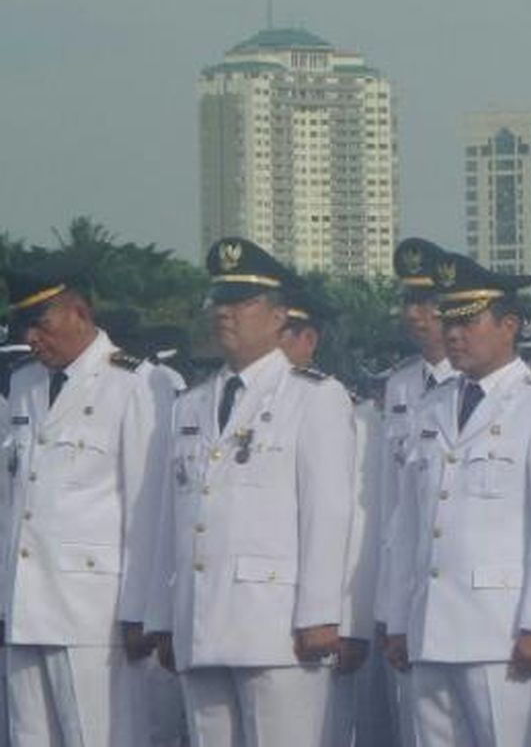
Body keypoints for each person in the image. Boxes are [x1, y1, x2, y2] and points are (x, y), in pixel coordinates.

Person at [143, 237, 355, 746]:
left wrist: (321, 613)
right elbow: (168, 516)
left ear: (281, 315)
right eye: (220, 300)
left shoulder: (314, 396)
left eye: (243, 302)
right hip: (201, 617)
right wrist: (165, 617)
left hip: (277, 625)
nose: (226, 314)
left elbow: (327, 513)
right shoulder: (191, 404)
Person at [382, 251, 531, 747]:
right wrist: (396, 616)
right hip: (430, 626)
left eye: (469, 320)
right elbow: (406, 523)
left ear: (509, 324)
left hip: (501, 632)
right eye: (448, 319)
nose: (453, 333)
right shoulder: (431, 407)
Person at [2, 259, 167, 745]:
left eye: (41, 323)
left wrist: (143, 609)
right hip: (24, 600)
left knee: (96, 736)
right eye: (23, 326)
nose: (32, 337)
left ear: (78, 311)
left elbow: (147, 506)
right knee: (27, 737)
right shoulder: (23, 384)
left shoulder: (135, 383)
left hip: (95, 607)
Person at [375, 237, 458, 747]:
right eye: (408, 300)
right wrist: (389, 607)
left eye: (426, 301)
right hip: (409, 587)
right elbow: (391, 505)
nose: (415, 313)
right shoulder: (400, 386)